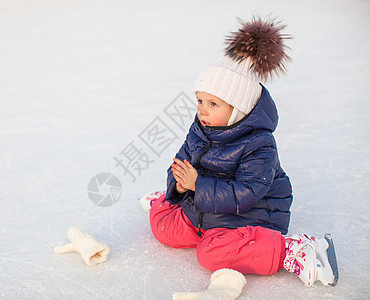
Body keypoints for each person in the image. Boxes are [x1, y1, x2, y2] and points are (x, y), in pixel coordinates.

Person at [140, 16, 338, 287]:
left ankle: (291, 249)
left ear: (238, 109)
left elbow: (246, 193)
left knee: (210, 255)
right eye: (200, 100)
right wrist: (179, 184)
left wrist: (197, 184)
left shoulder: (259, 145)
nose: (202, 110)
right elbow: (181, 161)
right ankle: (165, 200)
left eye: (213, 104)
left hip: (250, 216)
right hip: (206, 208)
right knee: (165, 229)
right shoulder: (200, 129)